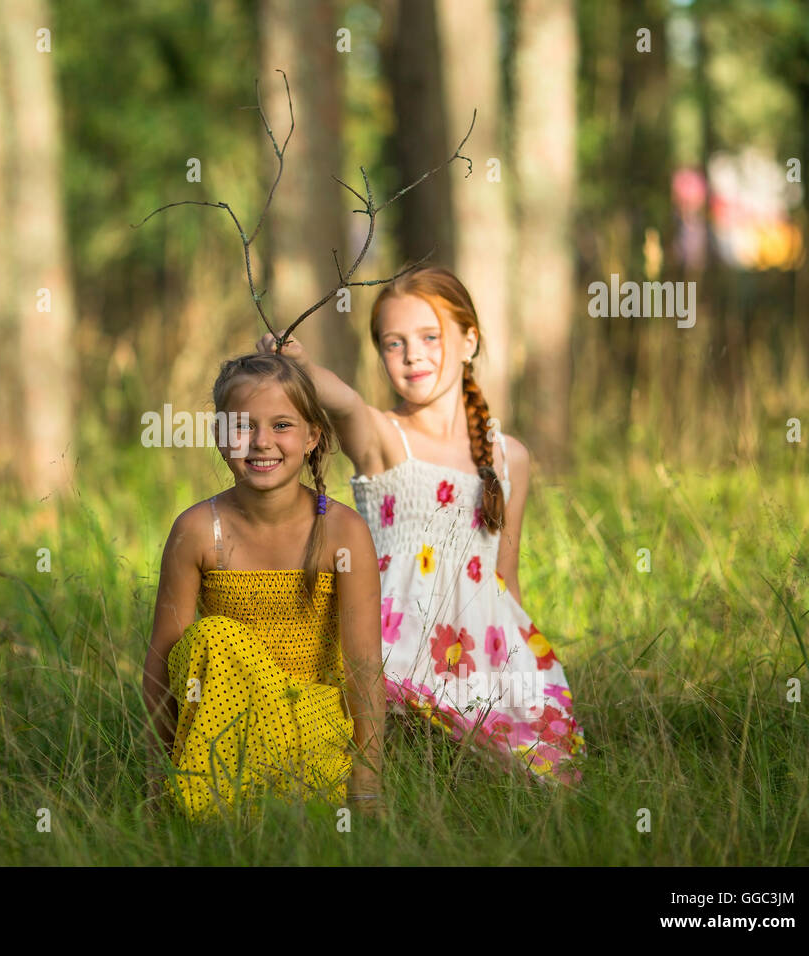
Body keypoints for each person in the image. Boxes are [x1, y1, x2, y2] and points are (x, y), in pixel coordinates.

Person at [258, 265, 585, 784]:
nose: (413, 355)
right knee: (382, 751)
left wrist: (526, 672)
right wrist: (298, 364)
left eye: (430, 337)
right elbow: (340, 400)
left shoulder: (508, 457)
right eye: (394, 343)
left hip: (482, 654)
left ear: (469, 341)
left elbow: (506, 578)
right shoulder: (385, 437)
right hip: (396, 653)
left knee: (539, 777)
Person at [142, 352, 385, 820]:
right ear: (218, 436)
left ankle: (284, 798)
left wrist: (368, 784)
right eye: (242, 426)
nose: (260, 442)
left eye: (281, 426)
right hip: (224, 731)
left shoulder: (342, 531)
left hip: (311, 728)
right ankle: (211, 806)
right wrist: (158, 775)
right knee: (210, 638)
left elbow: (364, 665)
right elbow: (162, 661)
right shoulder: (197, 529)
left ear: (313, 436)